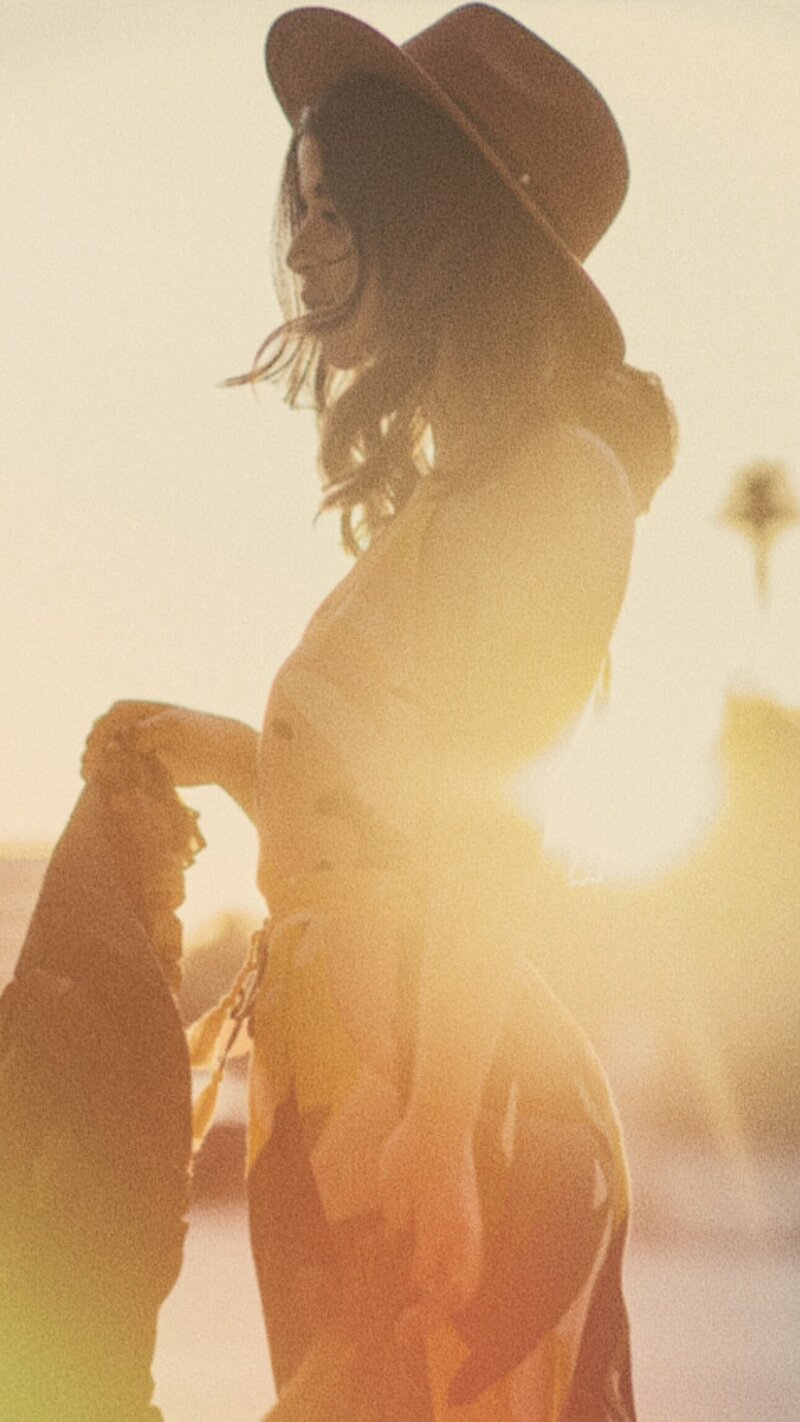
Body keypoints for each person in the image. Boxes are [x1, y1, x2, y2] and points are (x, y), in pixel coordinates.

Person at [83, 6, 676, 1418]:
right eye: (301, 201)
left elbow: (487, 829)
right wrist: (230, 755)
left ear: (443, 221)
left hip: (434, 1086)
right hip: (352, 1076)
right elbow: (393, 803)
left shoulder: (560, 483)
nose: (299, 242)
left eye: (336, 206)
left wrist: (435, 1128)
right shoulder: (454, 496)